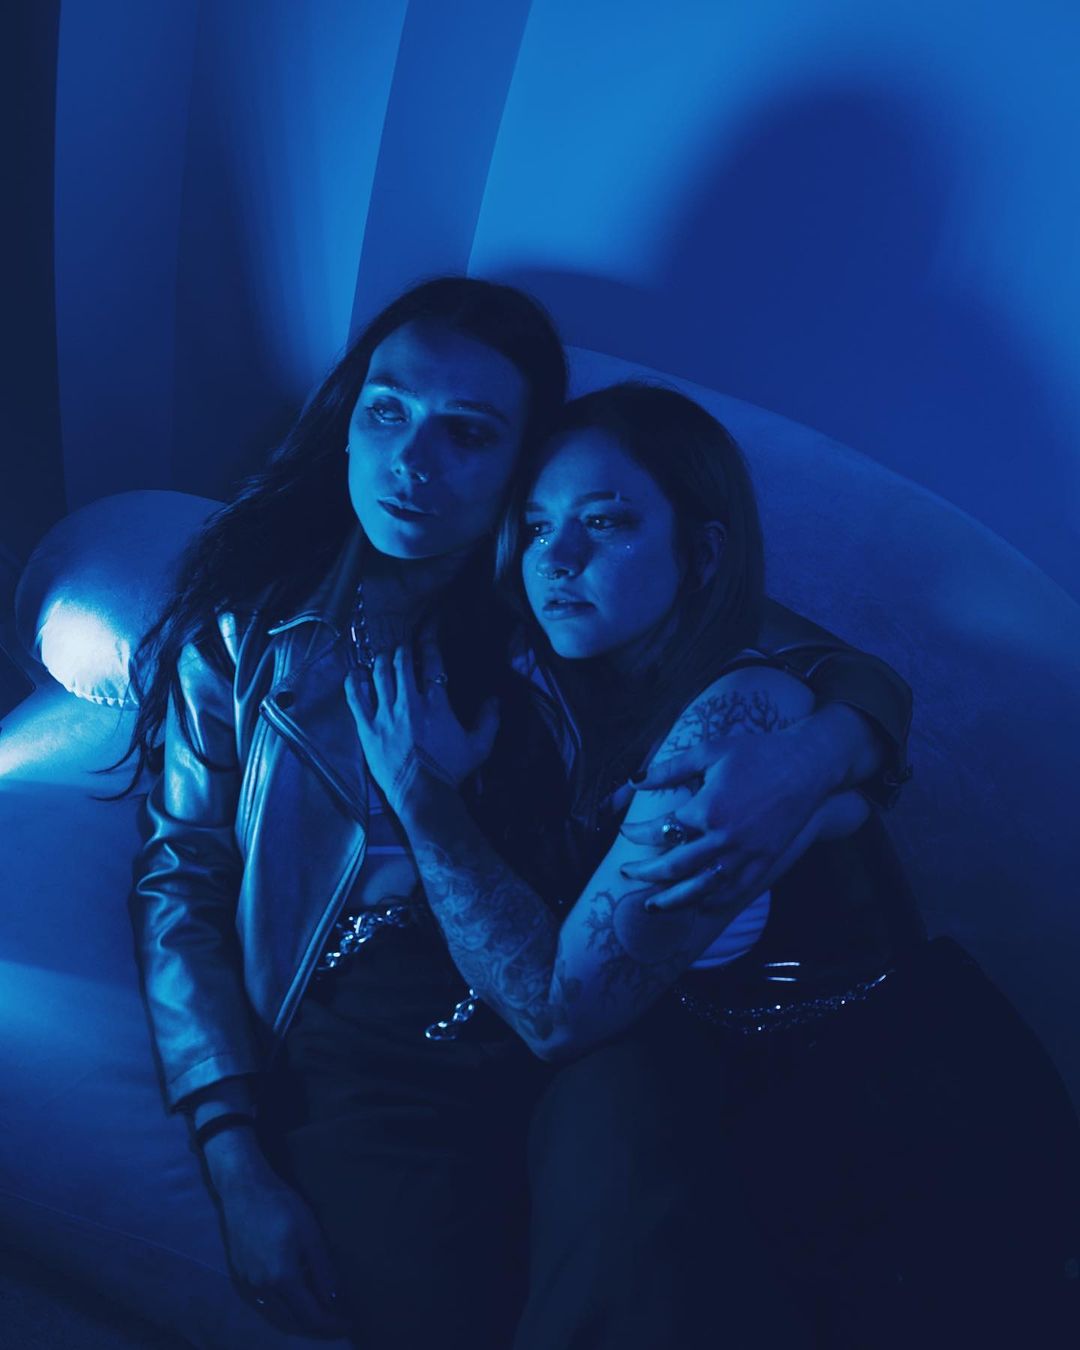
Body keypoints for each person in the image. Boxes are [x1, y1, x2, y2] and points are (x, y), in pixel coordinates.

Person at [123, 277, 915, 1349]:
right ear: (346, 420)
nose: (412, 461)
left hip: (560, 987)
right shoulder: (245, 632)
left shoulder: (551, 581)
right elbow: (182, 881)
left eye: (467, 432)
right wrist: (233, 1156)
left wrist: (825, 754)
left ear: (518, 460)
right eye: (387, 412)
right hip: (364, 1033)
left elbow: (816, 661)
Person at [346, 381, 1080, 1348]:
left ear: (701, 554)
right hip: (736, 1086)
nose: (556, 558)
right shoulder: (566, 674)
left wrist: (424, 800)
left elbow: (560, 1015)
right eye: (538, 525)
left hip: (888, 1122)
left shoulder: (741, 714)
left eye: (606, 522)